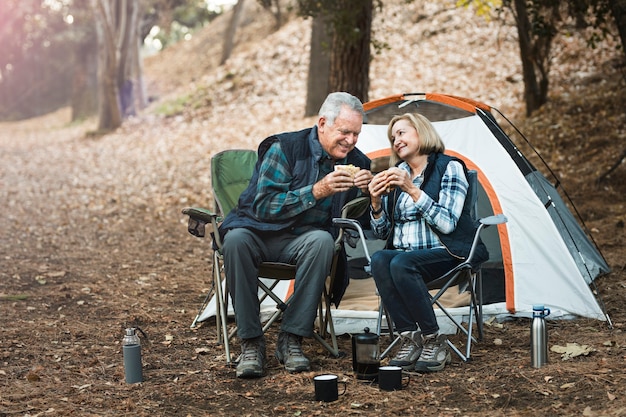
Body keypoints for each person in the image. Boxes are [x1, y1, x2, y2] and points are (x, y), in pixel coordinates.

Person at [218, 92, 373, 378]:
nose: (351, 141)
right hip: (258, 233)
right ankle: (251, 343)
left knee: (323, 241)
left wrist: (368, 194)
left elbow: (358, 224)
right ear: (323, 123)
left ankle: (291, 339)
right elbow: (263, 206)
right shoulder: (285, 148)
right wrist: (318, 190)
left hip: (303, 242)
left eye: (356, 134)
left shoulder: (358, 162)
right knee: (235, 240)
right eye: (344, 132)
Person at [367, 112, 488, 373]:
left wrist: (412, 189)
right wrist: (376, 203)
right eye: (392, 137)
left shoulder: (449, 168)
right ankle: (409, 337)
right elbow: (382, 233)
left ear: (422, 132)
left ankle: (433, 339)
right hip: (406, 258)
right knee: (379, 259)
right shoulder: (396, 173)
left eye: (401, 133)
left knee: (400, 263)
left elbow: (447, 223)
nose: (396, 140)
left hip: (448, 252)